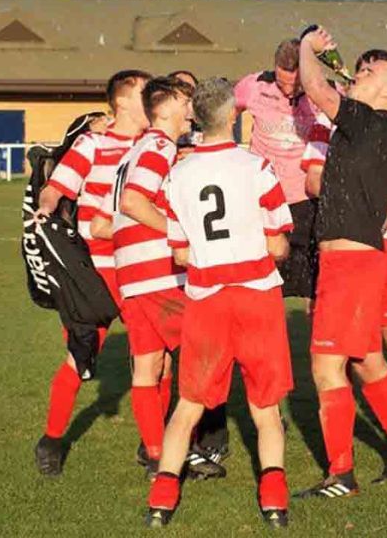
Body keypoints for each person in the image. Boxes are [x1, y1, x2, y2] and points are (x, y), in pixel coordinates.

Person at [146, 78, 294, 528]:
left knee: (188, 402)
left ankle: (162, 499)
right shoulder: (256, 166)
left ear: (196, 119)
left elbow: (179, 253)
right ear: (234, 115)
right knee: (265, 408)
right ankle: (273, 499)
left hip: (206, 299)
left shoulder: (178, 174)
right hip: (256, 295)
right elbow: (278, 246)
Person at [295, 27, 387, 498]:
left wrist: (307, 46)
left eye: (370, 72)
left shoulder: (369, 122)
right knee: (367, 360)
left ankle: (340, 474)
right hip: (353, 262)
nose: (359, 72)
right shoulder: (369, 128)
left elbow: (315, 88)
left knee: (326, 370)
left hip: (350, 264)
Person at [90, 76, 220, 479]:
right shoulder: (161, 146)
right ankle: (190, 447)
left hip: (130, 274)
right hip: (157, 273)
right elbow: (133, 202)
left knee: (149, 368)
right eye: (185, 101)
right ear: (165, 109)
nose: (191, 108)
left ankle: (157, 453)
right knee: (209, 351)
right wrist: (176, 230)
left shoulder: (135, 151)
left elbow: (111, 214)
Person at [32, 69, 152, 476]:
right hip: (96, 272)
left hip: (142, 265)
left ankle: (153, 448)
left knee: (154, 360)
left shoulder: (156, 145)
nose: (152, 100)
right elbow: (57, 186)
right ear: (121, 102)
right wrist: (46, 209)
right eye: (144, 94)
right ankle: (51, 439)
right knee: (78, 359)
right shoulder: (93, 142)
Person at [167, 69, 232, 478]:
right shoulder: (168, 150)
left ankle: (208, 439)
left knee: (207, 360)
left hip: (201, 269)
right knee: (184, 363)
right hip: (201, 269)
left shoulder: (192, 156)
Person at [234, 38, 324, 300]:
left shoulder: (325, 91)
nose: (288, 91)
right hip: (263, 199)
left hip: (307, 200)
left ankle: (318, 340)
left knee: (315, 290)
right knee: (261, 284)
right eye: (282, 83)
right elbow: (224, 114)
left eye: (295, 85)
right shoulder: (253, 85)